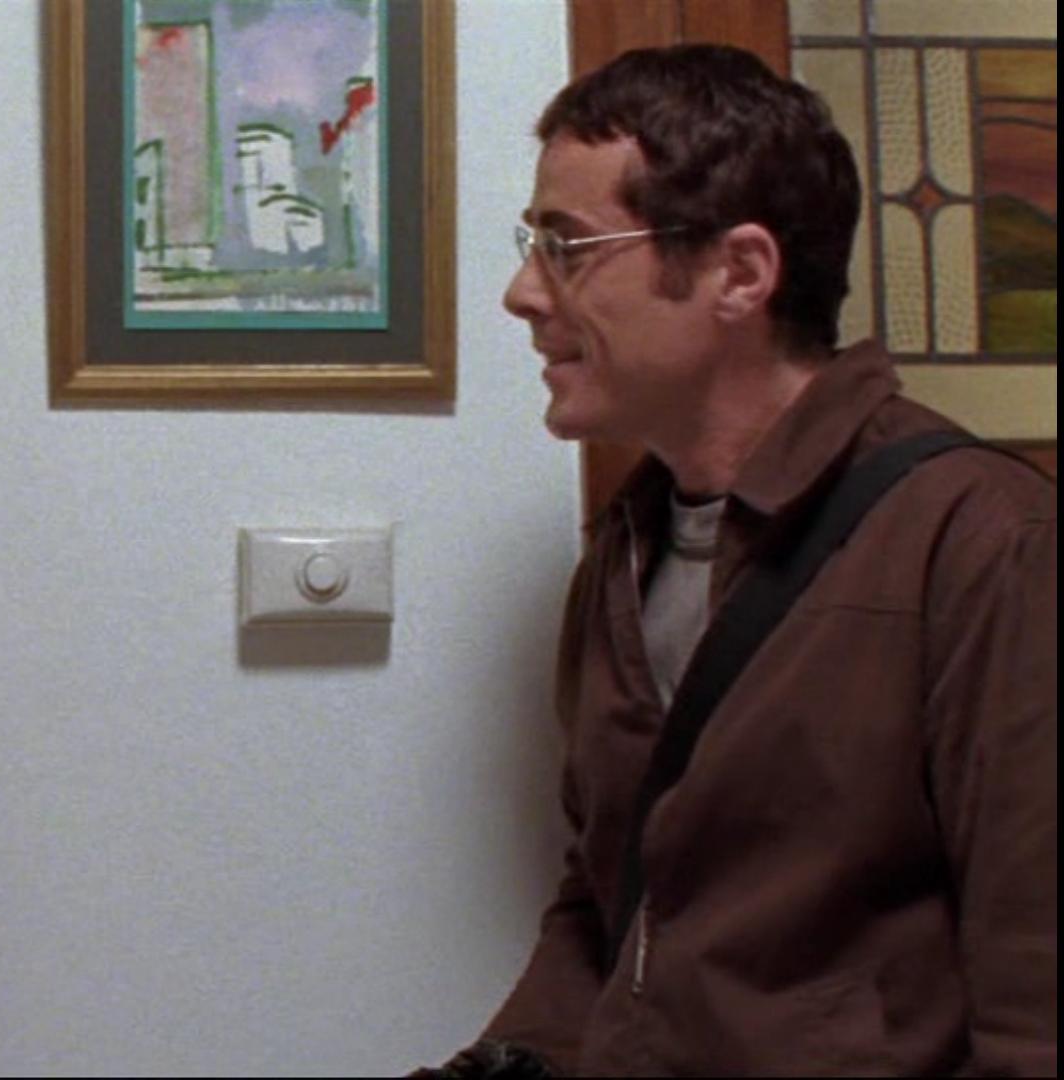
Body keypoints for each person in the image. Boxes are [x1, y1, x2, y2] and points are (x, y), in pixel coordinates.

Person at [422, 45, 1055, 1077]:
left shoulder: (984, 541)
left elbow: (1039, 985)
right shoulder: (624, 554)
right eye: (532, 245)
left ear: (740, 273)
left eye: (567, 247)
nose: (522, 294)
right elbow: (608, 907)